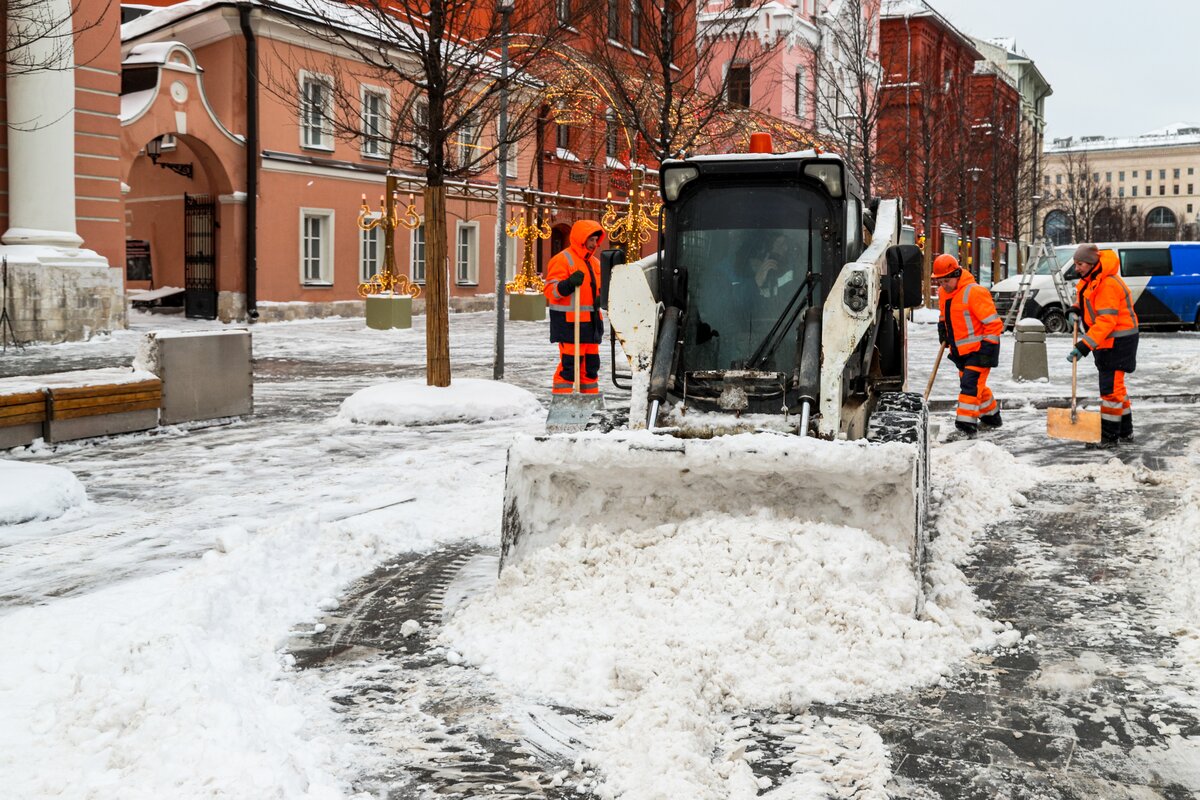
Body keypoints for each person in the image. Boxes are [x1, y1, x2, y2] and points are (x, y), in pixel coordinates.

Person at [1065, 243, 1139, 448]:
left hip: (1118, 341)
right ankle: (1125, 431)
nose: (1076, 268)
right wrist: (1074, 309)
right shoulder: (1091, 280)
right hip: (1108, 340)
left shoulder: (1107, 284)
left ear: (1091, 263)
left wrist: (1083, 346)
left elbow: (1107, 321)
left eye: (1079, 264)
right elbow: (1085, 299)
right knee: (1117, 388)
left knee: (1111, 391)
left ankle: (1108, 436)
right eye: (1075, 264)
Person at [933, 253, 1003, 439]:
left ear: (957, 274)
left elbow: (994, 324)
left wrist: (987, 348)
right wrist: (942, 328)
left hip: (981, 350)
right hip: (960, 351)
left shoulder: (975, 292)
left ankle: (965, 426)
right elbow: (944, 314)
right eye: (940, 282)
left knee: (970, 386)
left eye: (946, 280)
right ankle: (992, 417)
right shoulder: (944, 292)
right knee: (978, 385)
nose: (943, 285)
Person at [543, 220, 606, 394]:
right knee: (569, 368)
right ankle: (562, 403)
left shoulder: (595, 263)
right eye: (591, 240)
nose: (594, 244)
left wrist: (601, 298)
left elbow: (598, 290)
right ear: (581, 239)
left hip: (591, 325)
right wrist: (568, 284)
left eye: (595, 240)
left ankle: (588, 406)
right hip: (570, 325)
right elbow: (550, 291)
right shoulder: (563, 260)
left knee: (591, 369)